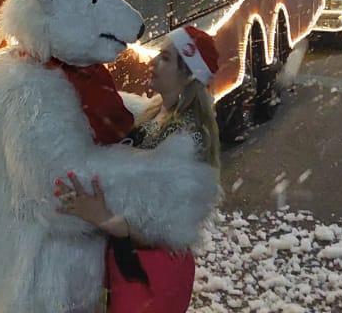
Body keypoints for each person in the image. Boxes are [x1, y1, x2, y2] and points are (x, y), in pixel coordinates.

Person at [57, 24, 224, 313]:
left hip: (155, 276)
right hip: (135, 268)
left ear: (188, 75)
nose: (152, 62)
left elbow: (166, 226)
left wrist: (102, 216)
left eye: (166, 58)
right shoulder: (156, 114)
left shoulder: (189, 138)